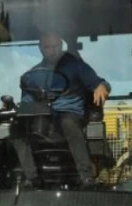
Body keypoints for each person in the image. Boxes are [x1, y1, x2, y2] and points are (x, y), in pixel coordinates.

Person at [11, 31, 110, 186]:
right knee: (16, 127)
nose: (52, 50)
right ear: (40, 48)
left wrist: (102, 86)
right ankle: (31, 178)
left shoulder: (76, 66)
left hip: (71, 115)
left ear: (61, 45)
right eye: (47, 47)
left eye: (55, 46)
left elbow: (99, 83)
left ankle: (86, 176)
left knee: (67, 122)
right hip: (44, 118)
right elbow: (27, 102)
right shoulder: (32, 75)